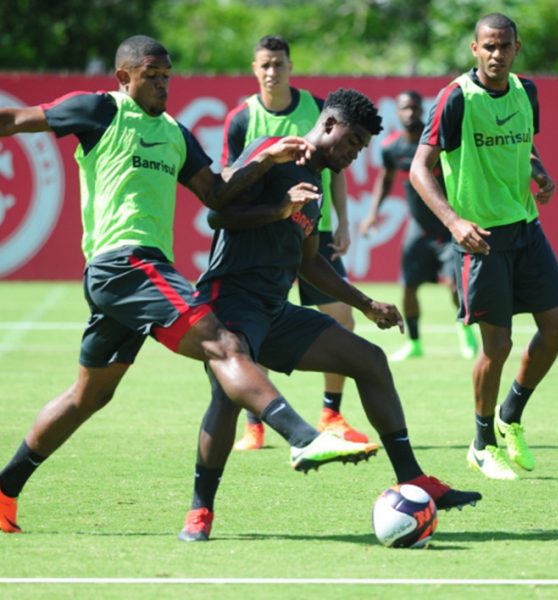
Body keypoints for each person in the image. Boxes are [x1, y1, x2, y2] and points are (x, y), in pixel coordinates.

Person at [0, 36, 378, 535]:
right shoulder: (98, 110)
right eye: (151, 74)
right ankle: (303, 435)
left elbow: (218, 194)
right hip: (124, 263)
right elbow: (14, 120)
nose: (162, 83)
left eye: (167, 74)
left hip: (136, 275)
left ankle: (5, 490)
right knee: (224, 344)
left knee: (87, 397)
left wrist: (266, 160)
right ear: (124, 78)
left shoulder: (176, 134)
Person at [178, 88, 482, 542]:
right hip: (230, 300)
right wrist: (279, 208)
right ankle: (200, 513)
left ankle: (414, 479)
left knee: (371, 361)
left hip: (276, 310)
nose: (354, 155)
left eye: (361, 149)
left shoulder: (316, 186)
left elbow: (310, 262)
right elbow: (219, 215)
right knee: (225, 400)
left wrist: (367, 304)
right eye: (352, 142)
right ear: (328, 125)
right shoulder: (271, 152)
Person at [410, 13, 558, 480]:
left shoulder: (527, 92)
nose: (497, 55)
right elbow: (421, 169)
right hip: (480, 240)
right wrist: (454, 221)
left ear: (516, 49)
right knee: (496, 345)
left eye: (504, 46)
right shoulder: (457, 98)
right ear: (474, 49)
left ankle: (510, 415)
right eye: (488, 47)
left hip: (526, 228)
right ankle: (481, 443)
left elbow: (523, 148)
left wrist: (537, 171)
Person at [221, 35, 367, 451]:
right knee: (257, 324)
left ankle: (331, 413)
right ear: (255, 68)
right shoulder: (241, 118)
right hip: (266, 234)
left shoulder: (317, 108)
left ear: (290, 66)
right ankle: (255, 423)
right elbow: (231, 181)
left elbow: (336, 169)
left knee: (342, 316)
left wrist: (342, 219)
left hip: (311, 229)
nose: (272, 72)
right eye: (265, 65)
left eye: (279, 64)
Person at [360, 91, 479, 362]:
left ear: (422, 110)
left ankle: (465, 334)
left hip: (447, 227)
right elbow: (386, 179)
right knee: (408, 287)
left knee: (452, 286)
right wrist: (372, 214)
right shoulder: (392, 147)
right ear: (397, 113)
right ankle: (414, 343)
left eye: (414, 108)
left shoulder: (436, 144)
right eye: (404, 108)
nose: (409, 113)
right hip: (418, 228)